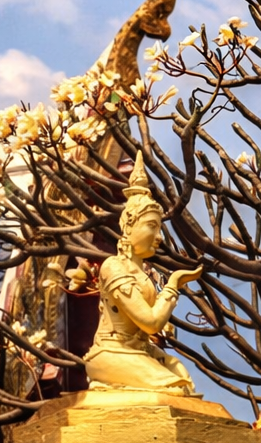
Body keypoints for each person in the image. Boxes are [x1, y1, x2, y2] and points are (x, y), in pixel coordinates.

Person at [75, 158, 202, 394]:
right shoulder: (113, 266)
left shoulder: (143, 275)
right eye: (152, 226)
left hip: (141, 351)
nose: (159, 236)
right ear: (129, 225)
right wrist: (173, 285)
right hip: (111, 353)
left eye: (160, 228)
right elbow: (152, 323)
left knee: (185, 384)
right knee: (172, 388)